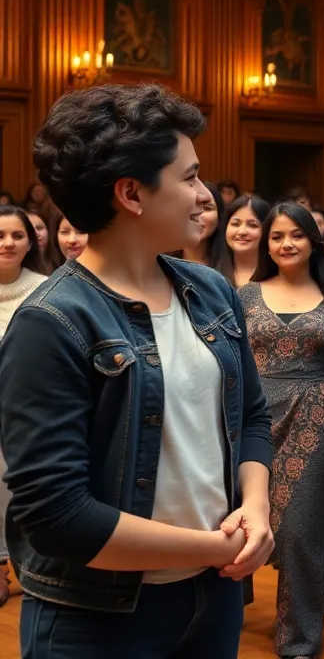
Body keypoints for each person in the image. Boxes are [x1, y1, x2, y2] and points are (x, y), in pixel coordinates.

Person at [0, 83, 273, 657]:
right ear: (131, 193)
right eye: (189, 176)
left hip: (213, 599)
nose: (204, 196)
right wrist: (214, 547)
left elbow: (250, 415)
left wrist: (255, 505)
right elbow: (58, 516)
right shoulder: (51, 322)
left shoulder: (210, 291)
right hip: (96, 618)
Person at [239, 201, 324, 657]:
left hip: (317, 416)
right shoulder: (243, 294)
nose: (287, 244)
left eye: (296, 235)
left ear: (313, 240)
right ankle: (222, 617)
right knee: (240, 522)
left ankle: (299, 641)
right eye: (277, 236)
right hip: (253, 415)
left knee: (302, 531)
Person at [0, 206, 47, 605]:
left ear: (30, 241)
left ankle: (35, 567)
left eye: (17, 235)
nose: (7, 243)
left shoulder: (47, 288)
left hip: (34, 409)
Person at [220, 195, 270, 288]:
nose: (242, 232)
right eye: (235, 224)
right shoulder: (212, 276)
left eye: (252, 225)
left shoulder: (278, 277)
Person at [177, 182, 225, 269]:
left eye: (207, 208)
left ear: (219, 216)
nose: (197, 214)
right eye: (189, 207)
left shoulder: (234, 264)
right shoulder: (156, 262)